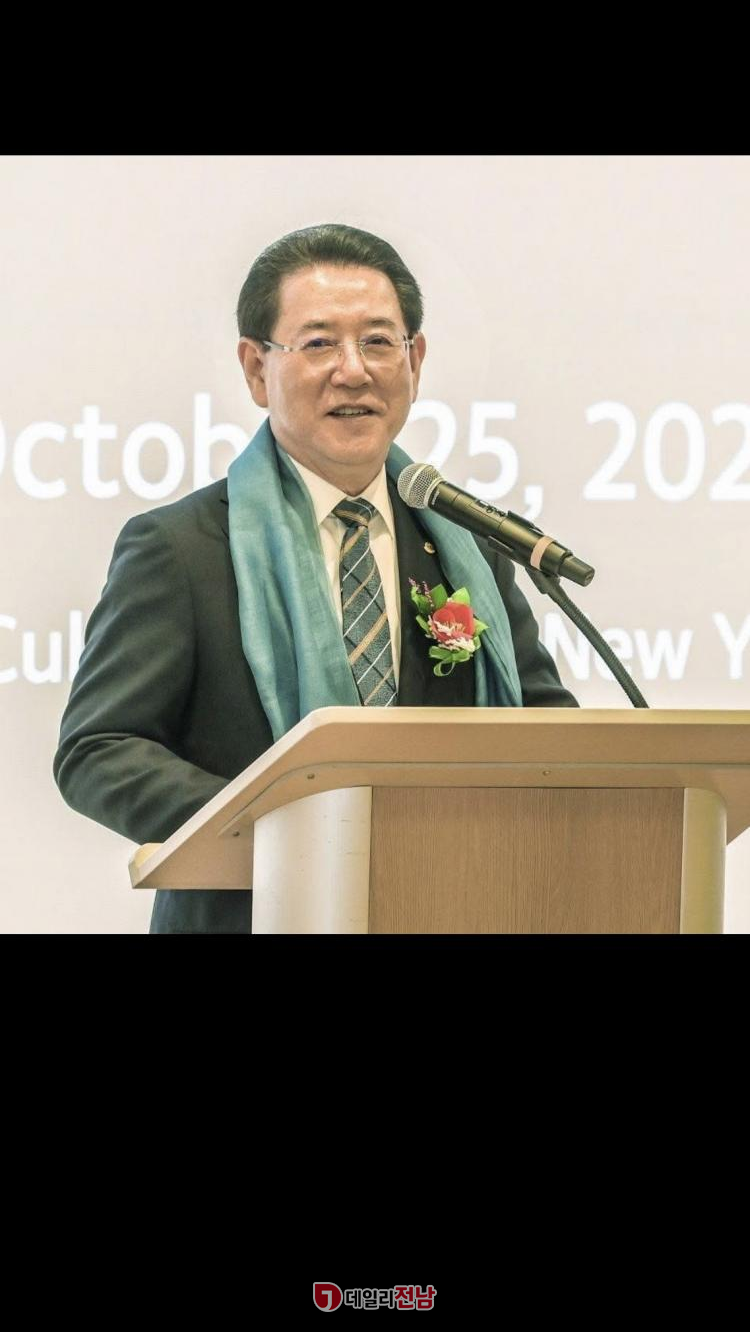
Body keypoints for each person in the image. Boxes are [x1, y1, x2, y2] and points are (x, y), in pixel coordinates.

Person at [54, 222, 577, 933]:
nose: (353, 371)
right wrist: (273, 825)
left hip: (453, 906)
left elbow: (549, 734)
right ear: (255, 368)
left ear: (415, 360)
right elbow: (99, 749)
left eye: (379, 341)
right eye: (320, 343)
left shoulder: (468, 547)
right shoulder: (181, 550)